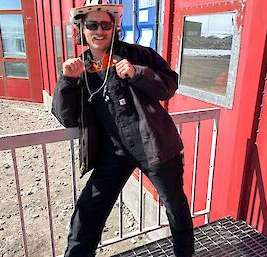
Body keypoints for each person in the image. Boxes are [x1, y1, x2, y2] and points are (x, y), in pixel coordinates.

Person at [51, 1, 194, 256]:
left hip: (154, 147)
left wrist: (137, 73)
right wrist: (67, 81)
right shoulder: (78, 67)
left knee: (175, 207)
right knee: (88, 210)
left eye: (105, 25)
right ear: (82, 28)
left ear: (114, 28)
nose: (99, 30)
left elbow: (169, 85)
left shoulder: (138, 54)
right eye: (92, 24)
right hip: (113, 151)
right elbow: (67, 118)